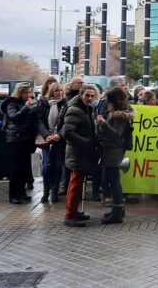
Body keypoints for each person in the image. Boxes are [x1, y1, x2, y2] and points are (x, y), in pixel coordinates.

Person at [0, 82, 47, 205]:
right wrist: (26, 107)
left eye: (30, 92)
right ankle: (13, 195)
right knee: (16, 168)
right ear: (20, 92)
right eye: (26, 92)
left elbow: (37, 119)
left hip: (27, 139)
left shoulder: (32, 103)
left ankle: (21, 192)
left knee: (24, 167)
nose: (28, 95)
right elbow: (14, 117)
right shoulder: (12, 103)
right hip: (16, 139)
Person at [62, 84, 99, 227]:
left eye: (92, 96)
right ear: (81, 95)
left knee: (78, 184)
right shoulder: (75, 110)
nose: (90, 98)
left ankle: (74, 211)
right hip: (77, 153)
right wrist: (87, 142)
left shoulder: (87, 109)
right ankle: (70, 215)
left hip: (83, 152)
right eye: (87, 95)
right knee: (75, 185)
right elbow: (67, 133)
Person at [97, 87, 135, 223]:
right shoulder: (121, 112)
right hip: (114, 149)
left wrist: (104, 124)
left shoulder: (118, 115)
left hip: (113, 150)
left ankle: (117, 212)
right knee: (113, 180)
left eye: (109, 100)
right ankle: (118, 209)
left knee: (114, 181)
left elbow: (117, 134)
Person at [40, 82, 65, 203]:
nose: (59, 93)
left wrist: (58, 135)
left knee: (58, 166)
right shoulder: (44, 104)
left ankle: (54, 190)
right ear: (52, 91)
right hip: (47, 140)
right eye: (57, 91)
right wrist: (47, 135)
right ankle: (46, 191)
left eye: (61, 90)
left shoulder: (65, 104)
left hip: (59, 140)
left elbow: (67, 123)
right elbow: (39, 121)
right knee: (46, 167)